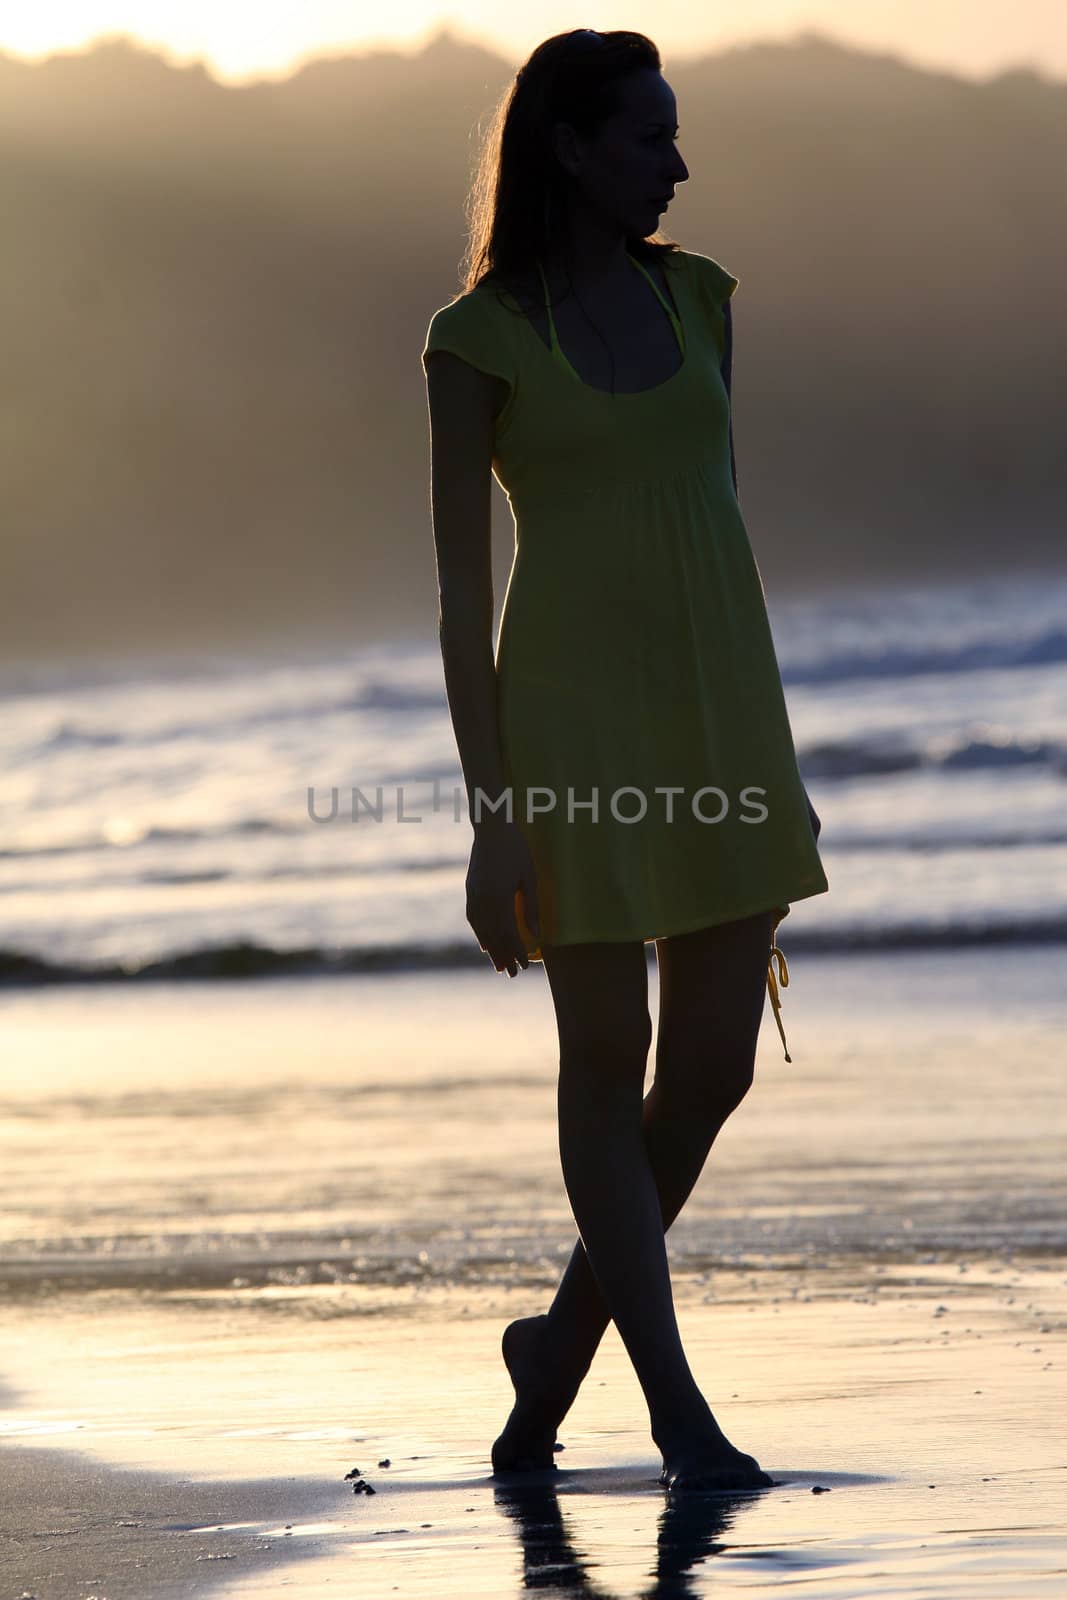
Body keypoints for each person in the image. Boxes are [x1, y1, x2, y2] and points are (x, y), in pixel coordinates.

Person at [421, 28, 829, 1493]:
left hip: (721, 710)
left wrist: (771, 748)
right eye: (650, 134)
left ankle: (555, 1359)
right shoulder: (473, 343)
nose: (676, 160)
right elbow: (466, 602)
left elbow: (711, 511)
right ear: (571, 150)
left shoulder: (700, 299)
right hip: (573, 734)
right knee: (609, 1060)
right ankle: (674, 1415)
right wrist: (494, 822)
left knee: (708, 1070)